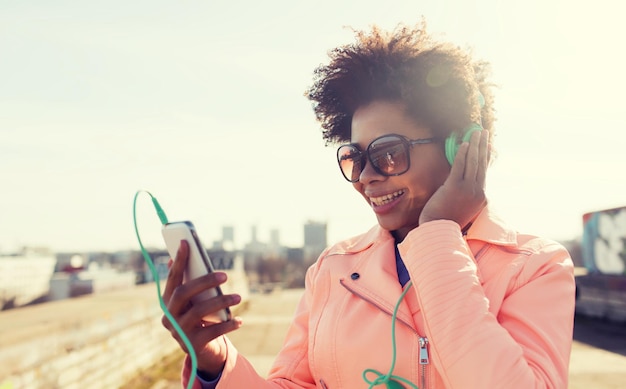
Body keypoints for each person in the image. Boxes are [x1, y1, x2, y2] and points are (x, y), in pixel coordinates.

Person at [161, 21, 575, 389]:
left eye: (388, 153)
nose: (366, 176)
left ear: (460, 147)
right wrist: (216, 365)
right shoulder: (332, 270)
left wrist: (435, 236)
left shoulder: (533, 267)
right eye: (354, 157)